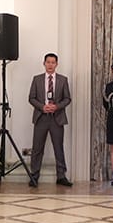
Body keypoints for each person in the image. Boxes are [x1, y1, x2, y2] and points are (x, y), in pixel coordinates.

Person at [28, 53, 72, 188]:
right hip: (41, 117)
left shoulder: (63, 80)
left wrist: (56, 107)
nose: (50, 65)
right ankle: (34, 176)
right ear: (44, 63)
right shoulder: (37, 79)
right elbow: (31, 98)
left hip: (57, 118)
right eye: (48, 62)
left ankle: (61, 176)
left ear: (57, 64)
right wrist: (42, 107)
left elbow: (67, 99)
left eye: (53, 62)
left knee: (58, 148)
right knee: (37, 148)